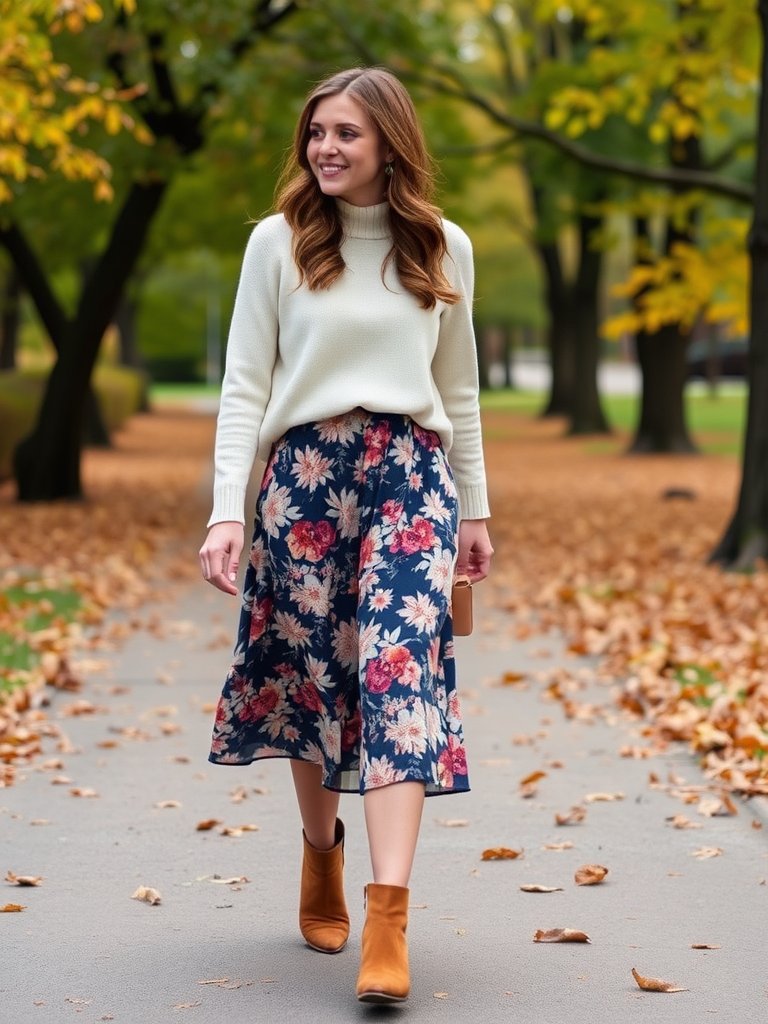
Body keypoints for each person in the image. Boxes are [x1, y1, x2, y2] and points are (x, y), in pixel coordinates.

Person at [198, 66, 492, 1006]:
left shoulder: (444, 248)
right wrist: (224, 510)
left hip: (411, 476)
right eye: (316, 131)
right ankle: (319, 853)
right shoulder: (275, 245)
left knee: (400, 674)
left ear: (390, 145)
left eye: (347, 134)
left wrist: (476, 508)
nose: (325, 147)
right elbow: (245, 384)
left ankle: (389, 913)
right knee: (311, 674)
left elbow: (462, 391)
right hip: (306, 483)